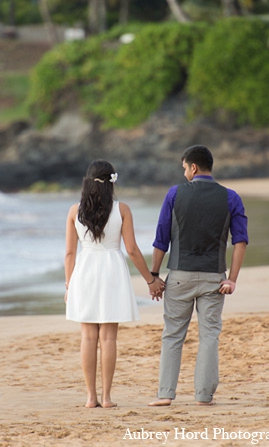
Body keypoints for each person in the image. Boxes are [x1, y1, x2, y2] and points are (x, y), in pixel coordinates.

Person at [149, 145, 248, 407]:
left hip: (179, 276)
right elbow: (240, 242)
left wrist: (155, 276)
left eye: (184, 168)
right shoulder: (231, 197)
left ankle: (165, 394)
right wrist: (232, 279)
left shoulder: (174, 194)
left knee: (172, 335)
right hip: (214, 279)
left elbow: (161, 240)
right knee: (209, 336)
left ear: (193, 167)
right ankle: (204, 397)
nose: (184, 173)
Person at [64, 159, 164, 409]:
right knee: (108, 338)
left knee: (88, 337)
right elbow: (131, 249)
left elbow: (69, 254)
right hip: (112, 272)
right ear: (112, 183)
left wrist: (69, 287)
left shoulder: (74, 211)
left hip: (84, 272)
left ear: (86, 182)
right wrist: (151, 280)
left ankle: (90, 398)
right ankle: (107, 398)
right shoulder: (122, 210)